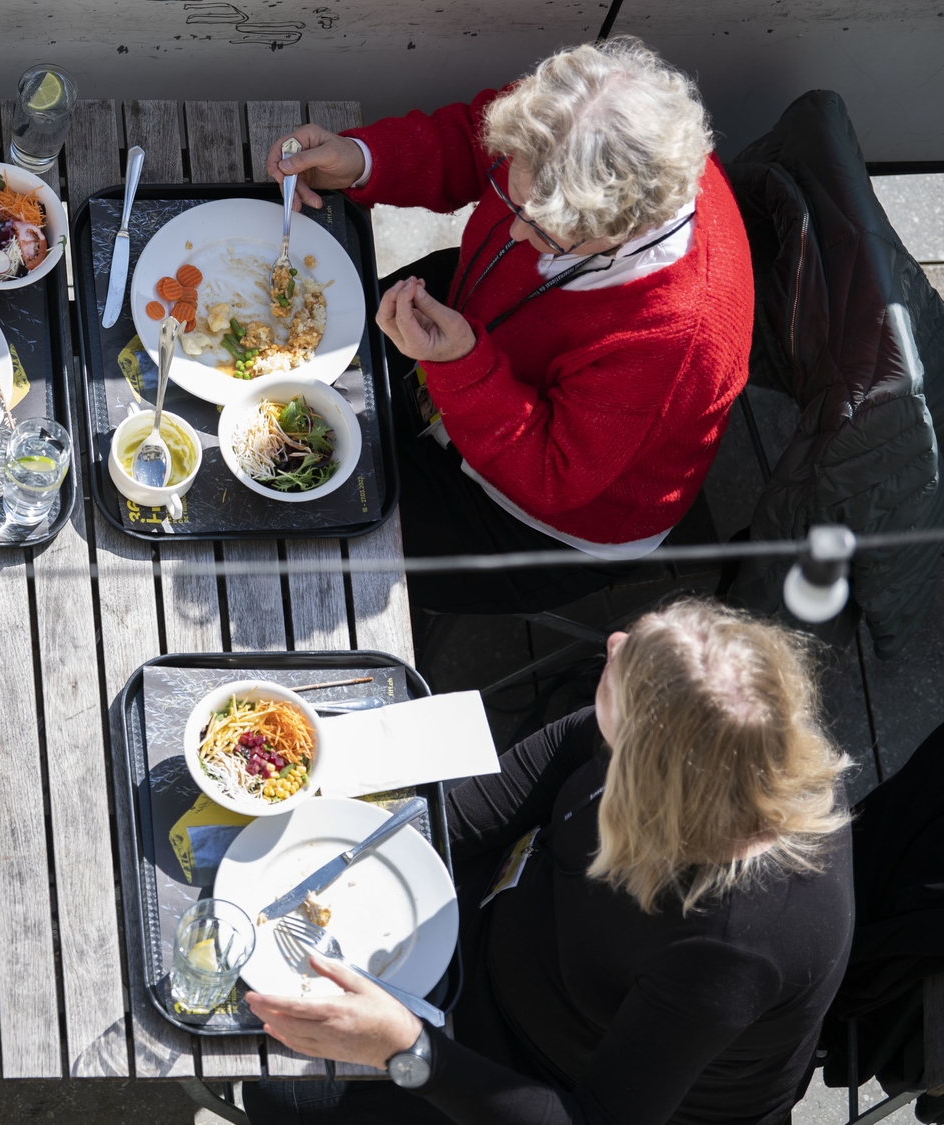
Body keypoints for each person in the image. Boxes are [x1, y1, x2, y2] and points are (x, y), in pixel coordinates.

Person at [242, 599, 854, 1125]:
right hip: (496, 934)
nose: (613, 641)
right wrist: (406, 844)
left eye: (622, 673)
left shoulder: (728, 952)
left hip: (533, 1072)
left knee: (282, 1089)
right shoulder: (740, 745)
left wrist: (406, 1048)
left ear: (645, 783)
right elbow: (564, 748)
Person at [268, 38, 754, 614]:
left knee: (302, 511)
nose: (514, 234)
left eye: (547, 232)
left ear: (627, 226)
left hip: (535, 515)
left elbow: (555, 474)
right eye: (512, 198)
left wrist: (460, 369)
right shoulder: (576, 116)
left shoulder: (677, 337)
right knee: (284, 367)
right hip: (484, 333)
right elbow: (476, 145)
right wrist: (364, 158)